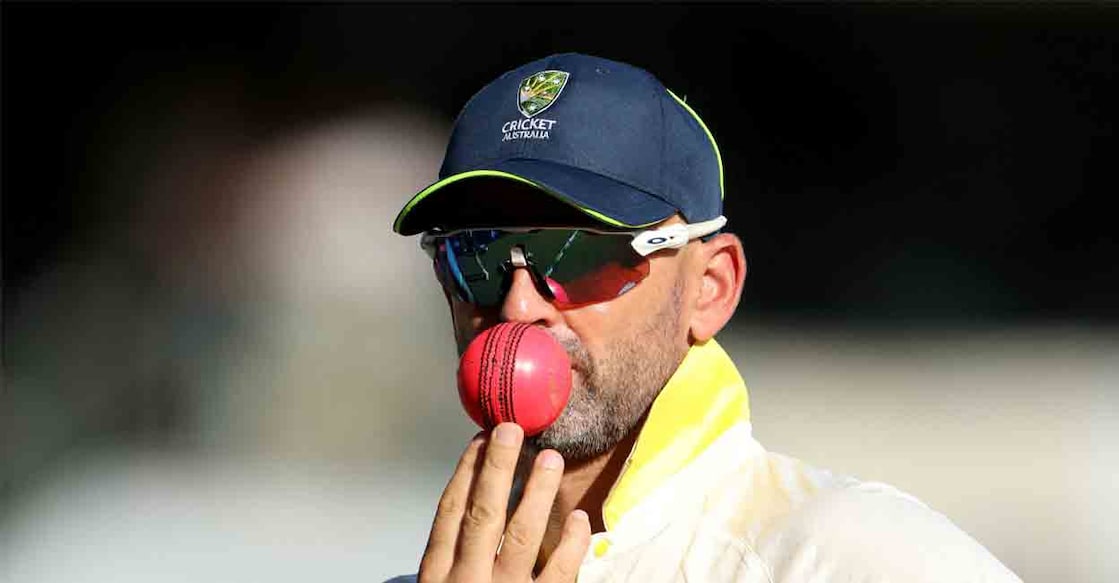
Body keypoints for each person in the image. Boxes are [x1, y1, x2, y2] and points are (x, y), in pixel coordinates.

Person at [388, 53, 1021, 582]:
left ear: (710, 288)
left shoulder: (858, 559)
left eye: (578, 254)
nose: (518, 306)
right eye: (476, 254)